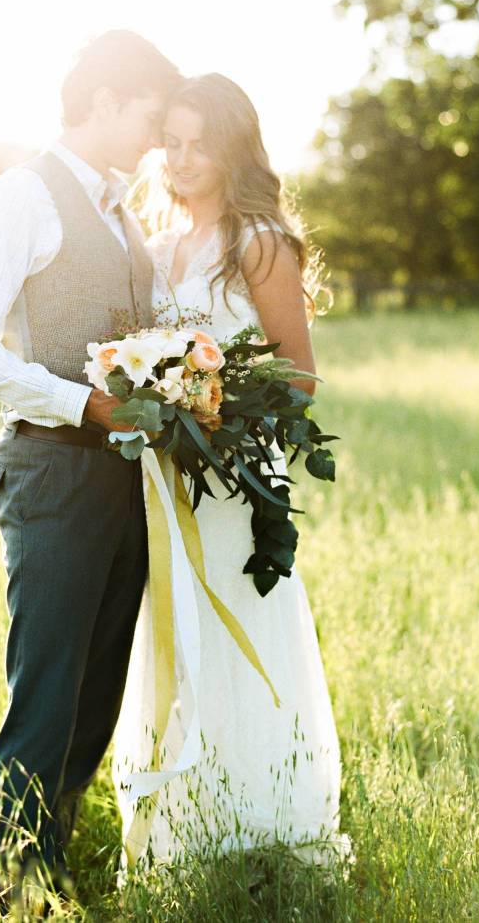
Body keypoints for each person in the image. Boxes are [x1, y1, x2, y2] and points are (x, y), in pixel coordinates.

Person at [0, 30, 182, 909]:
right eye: (152, 114)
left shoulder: (125, 212)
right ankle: (14, 882)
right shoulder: (20, 197)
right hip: (53, 470)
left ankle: (53, 862)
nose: (160, 136)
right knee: (48, 684)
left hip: (128, 481)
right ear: (107, 99)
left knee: (98, 685)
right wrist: (84, 404)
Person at [112, 73, 351, 871]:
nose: (180, 160)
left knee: (241, 621)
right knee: (179, 631)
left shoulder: (258, 240)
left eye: (198, 144)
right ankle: (183, 820)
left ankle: (262, 818)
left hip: (237, 478)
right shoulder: (152, 245)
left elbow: (300, 375)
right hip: (165, 480)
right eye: (170, 144)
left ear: (231, 146)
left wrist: (213, 402)